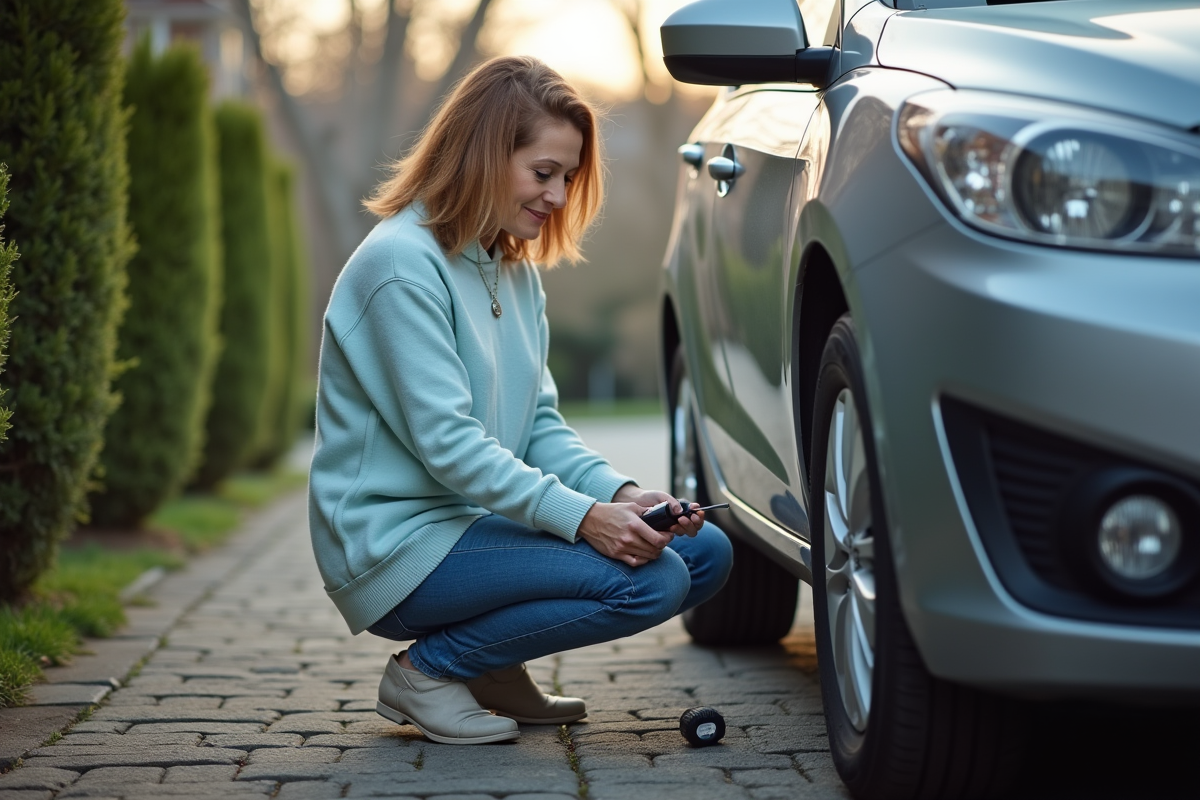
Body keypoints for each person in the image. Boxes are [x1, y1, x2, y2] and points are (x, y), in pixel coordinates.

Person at [308, 55, 733, 745]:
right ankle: (430, 670)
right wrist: (584, 520)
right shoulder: (399, 265)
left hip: (471, 530)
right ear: (482, 154)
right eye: (544, 174)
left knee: (706, 553)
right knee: (651, 583)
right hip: (399, 545)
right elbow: (449, 446)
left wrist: (621, 497)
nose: (560, 197)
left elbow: (537, 425)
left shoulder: (510, 266)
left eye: (568, 177)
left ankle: (493, 669)